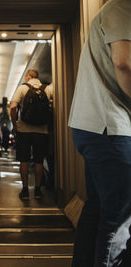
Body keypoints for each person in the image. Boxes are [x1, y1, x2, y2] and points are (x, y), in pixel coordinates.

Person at [67, 0, 131, 266]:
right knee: (119, 217)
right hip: (110, 127)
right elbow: (124, 62)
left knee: (98, 209)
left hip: (95, 128)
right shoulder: (123, 6)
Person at [10, 69, 53, 201]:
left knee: (24, 160)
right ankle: (38, 190)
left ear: (28, 77)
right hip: (42, 130)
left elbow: (13, 107)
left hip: (24, 130)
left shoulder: (23, 88)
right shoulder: (47, 89)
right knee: (39, 160)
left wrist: (15, 124)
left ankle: (24, 190)